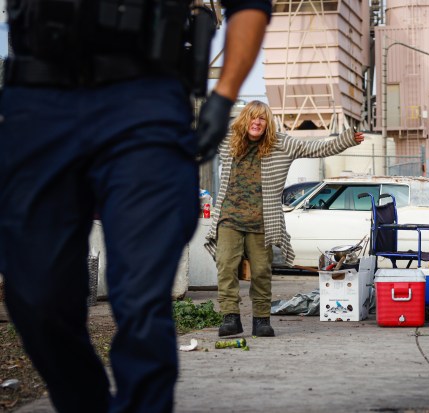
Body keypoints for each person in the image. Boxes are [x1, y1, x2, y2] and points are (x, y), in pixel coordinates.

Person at [0, 1, 270, 412]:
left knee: (142, 298)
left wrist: (223, 96)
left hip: (144, 99)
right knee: (36, 296)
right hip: (40, 97)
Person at [204, 101, 364, 337]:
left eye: (262, 119)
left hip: (263, 223)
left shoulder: (282, 144)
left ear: (268, 123)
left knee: (261, 272)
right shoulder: (229, 141)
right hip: (229, 218)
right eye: (252, 117)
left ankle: (261, 320)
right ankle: (230, 318)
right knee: (225, 266)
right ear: (244, 119)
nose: (257, 122)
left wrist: (347, 139)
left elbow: (317, 149)